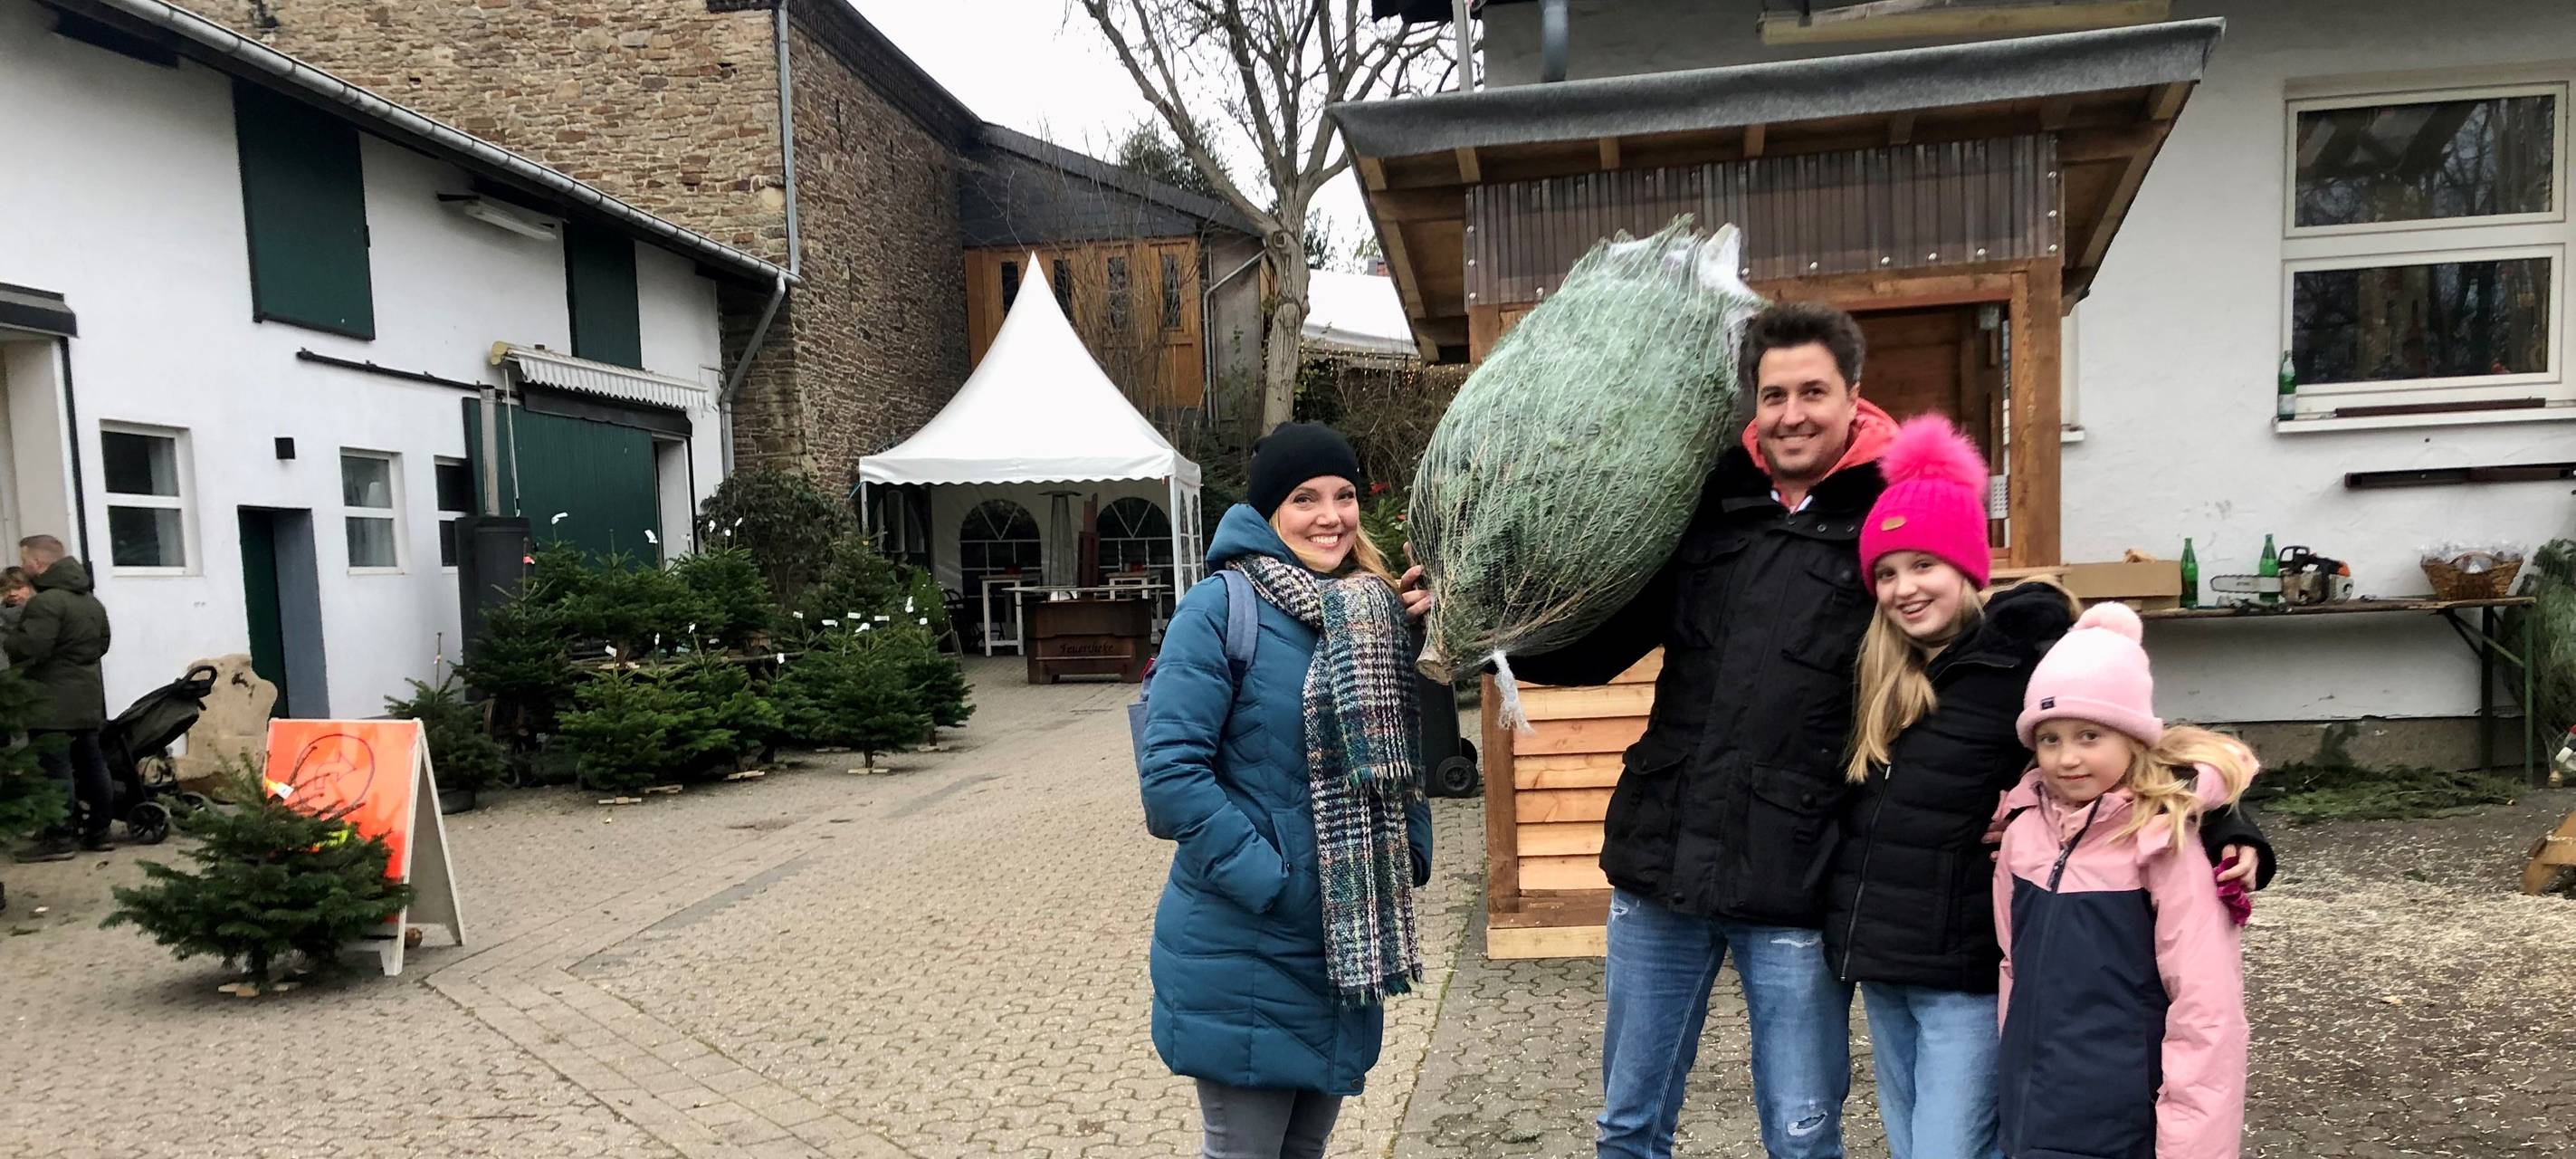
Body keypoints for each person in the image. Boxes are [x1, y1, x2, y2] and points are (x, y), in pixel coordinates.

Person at [1825, 417, 2272, 1159]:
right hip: (1885, 962)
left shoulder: (2025, 661)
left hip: (1966, 962)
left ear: (1967, 568)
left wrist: (2229, 826)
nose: (1905, 589)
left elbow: (2141, 752)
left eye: (1924, 565)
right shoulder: (1878, 680)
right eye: (1888, 572)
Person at [1513, 302, 1899, 1159]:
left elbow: (1959, 674)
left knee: (1802, 1134)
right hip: (1663, 863)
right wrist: (1491, 637)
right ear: (1751, 405)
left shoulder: (1892, 521)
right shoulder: (1709, 503)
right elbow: (1610, 634)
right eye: (1773, 395)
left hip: (1796, 874)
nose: (1792, 413)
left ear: (1853, 397)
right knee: (1628, 1124)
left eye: (1813, 392)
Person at [1138, 423, 1436, 1159]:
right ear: (1270, 510)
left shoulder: (1368, 612)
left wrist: (1410, 853)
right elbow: (1170, 777)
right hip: (1247, 943)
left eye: (1343, 495)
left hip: (1344, 943)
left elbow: (1401, 759)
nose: (1330, 515)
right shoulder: (1219, 608)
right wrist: (1274, 881)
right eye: (1305, 498)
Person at [1996, 602, 2256, 1159]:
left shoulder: (2166, 844)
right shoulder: (2022, 836)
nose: (2067, 758)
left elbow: (2206, 1010)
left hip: (2125, 1116)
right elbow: (2012, 967)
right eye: (2050, 738)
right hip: (2034, 1108)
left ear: (2132, 738)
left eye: (2090, 735)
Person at [9, 535, 115, 862]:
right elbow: (102, 644)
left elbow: (32, 650)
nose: (24, 566)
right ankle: (99, 832)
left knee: (55, 769)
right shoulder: (90, 602)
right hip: (87, 699)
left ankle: (59, 838)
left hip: (50, 702)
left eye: (25, 560)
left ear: (39, 563)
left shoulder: (46, 603)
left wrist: (12, 638)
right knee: (93, 763)